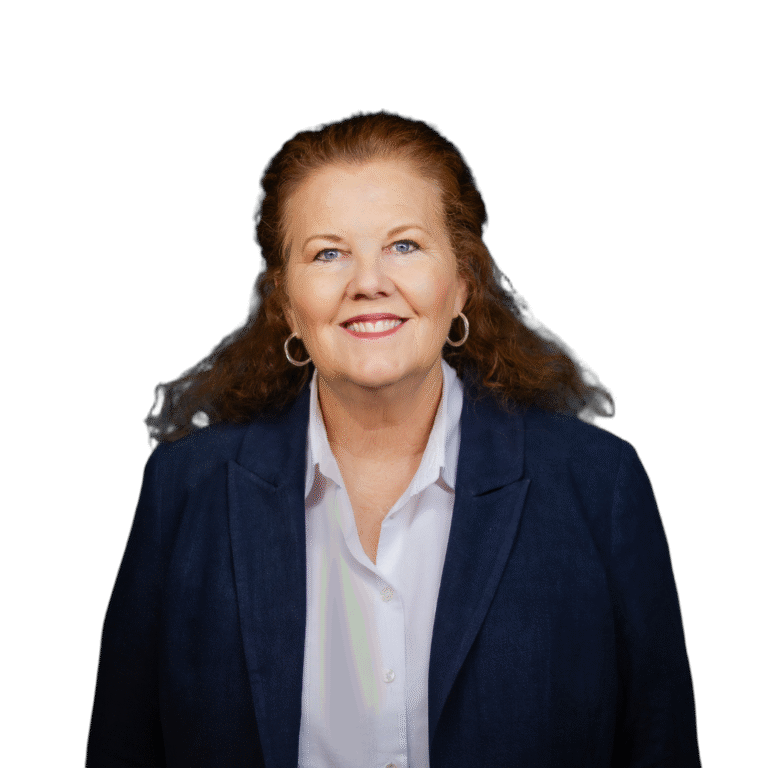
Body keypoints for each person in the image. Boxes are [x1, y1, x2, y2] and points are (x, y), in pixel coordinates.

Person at [86, 112, 701, 767]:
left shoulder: (599, 484)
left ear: (462, 284)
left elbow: (661, 744)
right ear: (288, 305)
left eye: (404, 245)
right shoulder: (182, 491)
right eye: (328, 252)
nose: (368, 282)